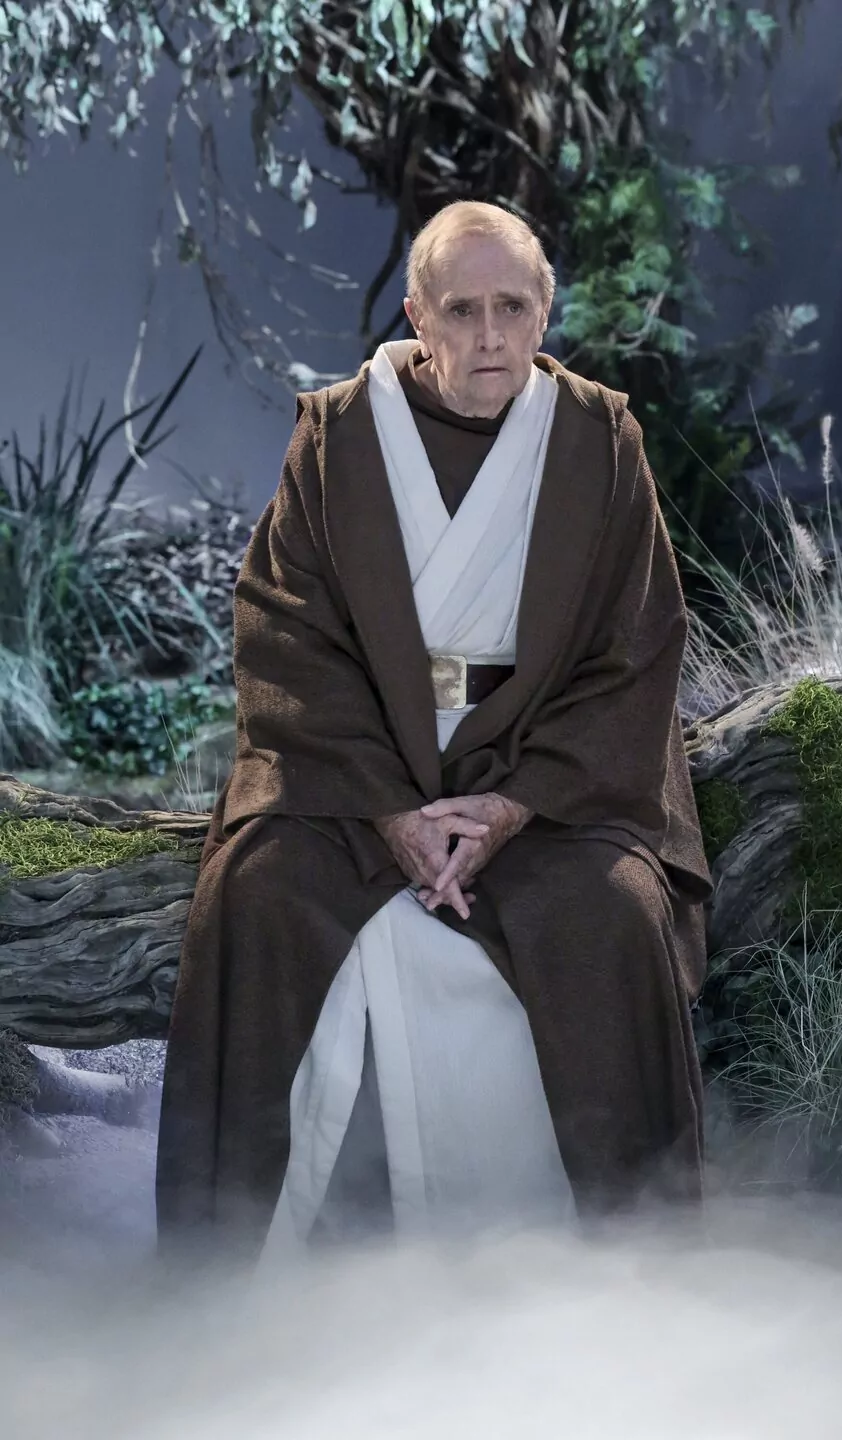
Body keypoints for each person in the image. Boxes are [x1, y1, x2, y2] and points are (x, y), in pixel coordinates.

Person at [155, 199, 714, 1264]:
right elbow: (285, 634)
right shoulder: (339, 437)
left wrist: (512, 805)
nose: (490, 335)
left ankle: (634, 1272)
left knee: (610, 916)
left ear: (545, 312)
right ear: (417, 316)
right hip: (360, 763)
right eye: (462, 310)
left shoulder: (600, 441)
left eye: (513, 307)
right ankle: (225, 1270)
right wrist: (390, 810)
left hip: (542, 767)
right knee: (259, 894)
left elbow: (635, 648)